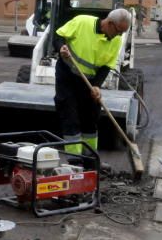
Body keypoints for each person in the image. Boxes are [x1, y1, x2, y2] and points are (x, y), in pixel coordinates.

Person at [54, 8, 131, 155]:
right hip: (67, 76)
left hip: (89, 81)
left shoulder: (116, 41)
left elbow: (106, 66)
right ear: (109, 23)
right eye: (119, 31)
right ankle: (74, 160)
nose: (120, 35)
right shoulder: (82, 22)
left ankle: (90, 159)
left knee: (91, 118)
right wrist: (60, 48)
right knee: (70, 117)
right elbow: (57, 36)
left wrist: (96, 85)